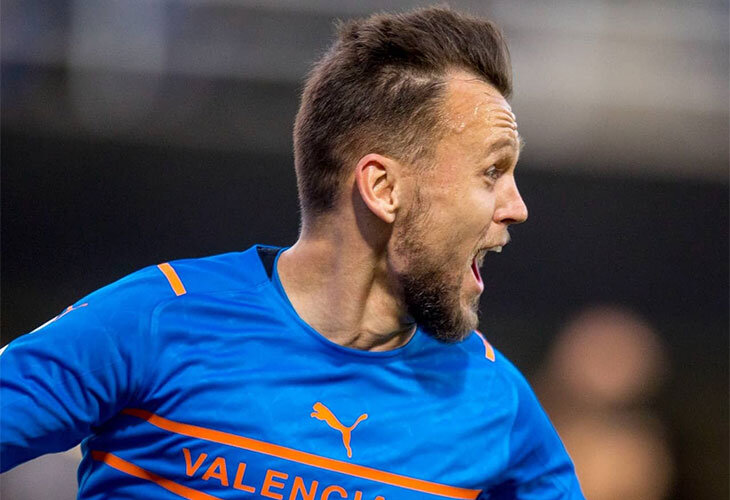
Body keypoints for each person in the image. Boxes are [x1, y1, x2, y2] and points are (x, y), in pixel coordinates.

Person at [1, 7, 584, 499]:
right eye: (492, 172)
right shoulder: (155, 320)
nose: (517, 207)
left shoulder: (495, 402)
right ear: (383, 189)